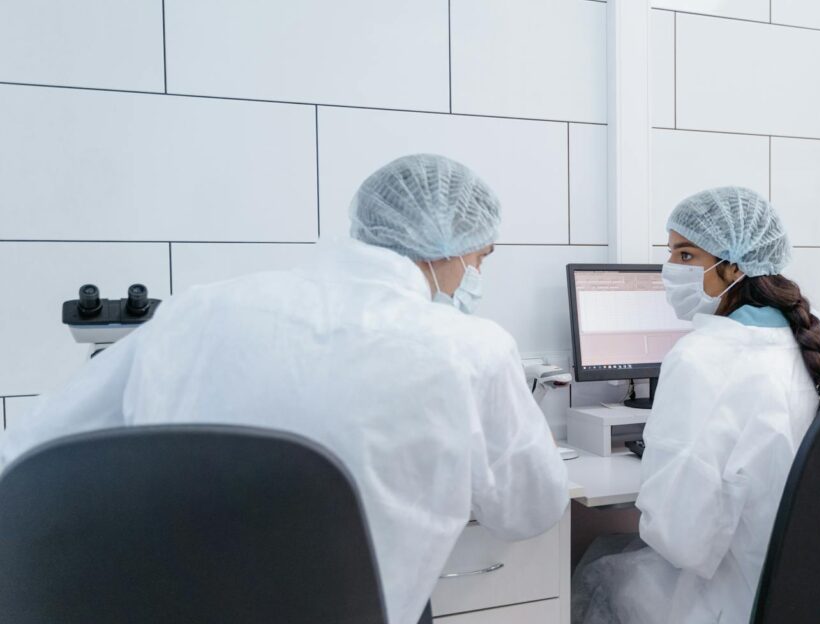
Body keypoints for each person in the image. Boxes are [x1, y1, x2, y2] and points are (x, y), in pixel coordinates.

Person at [0, 154, 569, 624]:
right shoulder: (470, 346)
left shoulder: (196, 310)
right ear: (449, 247)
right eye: (480, 256)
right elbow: (532, 510)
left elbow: (27, 454)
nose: (476, 274)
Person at [572, 187, 820, 624]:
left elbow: (681, 541)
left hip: (736, 602)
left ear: (733, 265)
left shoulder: (702, 357)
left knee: (596, 572)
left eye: (684, 256)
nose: (668, 270)